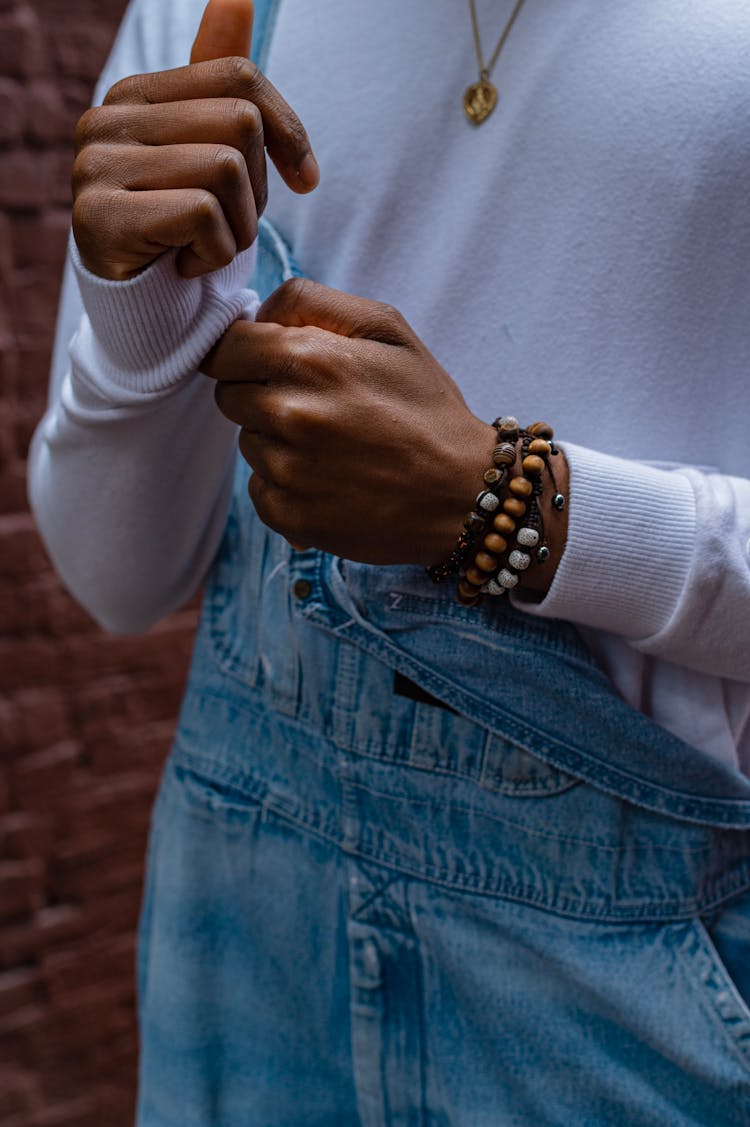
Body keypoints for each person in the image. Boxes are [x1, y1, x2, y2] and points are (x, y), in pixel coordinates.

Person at [29, 0, 750, 1121]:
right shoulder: (219, 11)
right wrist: (136, 321)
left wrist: (509, 504)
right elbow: (116, 579)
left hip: (636, 983)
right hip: (241, 931)